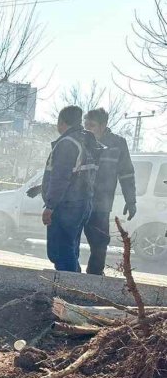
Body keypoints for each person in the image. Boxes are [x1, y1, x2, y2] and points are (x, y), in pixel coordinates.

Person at [41, 105, 99, 273]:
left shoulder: (67, 143)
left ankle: (67, 290)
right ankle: (75, 283)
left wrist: (50, 206)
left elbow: (61, 177)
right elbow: (76, 176)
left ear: (62, 122)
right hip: (82, 203)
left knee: (60, 250)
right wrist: (42, 188)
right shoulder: (85, 141)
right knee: (70, 248)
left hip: (66, 206)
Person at [82, 108, 137, 275]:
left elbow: (126, 173)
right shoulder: (80, 140)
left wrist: (131, 200)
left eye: (91, 125)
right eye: (86, 124)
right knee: (70, 241)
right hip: (78, 201)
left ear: (103, 125)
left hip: (101, 204)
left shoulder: (117, 144)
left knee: (99, 243)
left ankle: (94, 276)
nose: (87, 129)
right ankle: (70, 276)